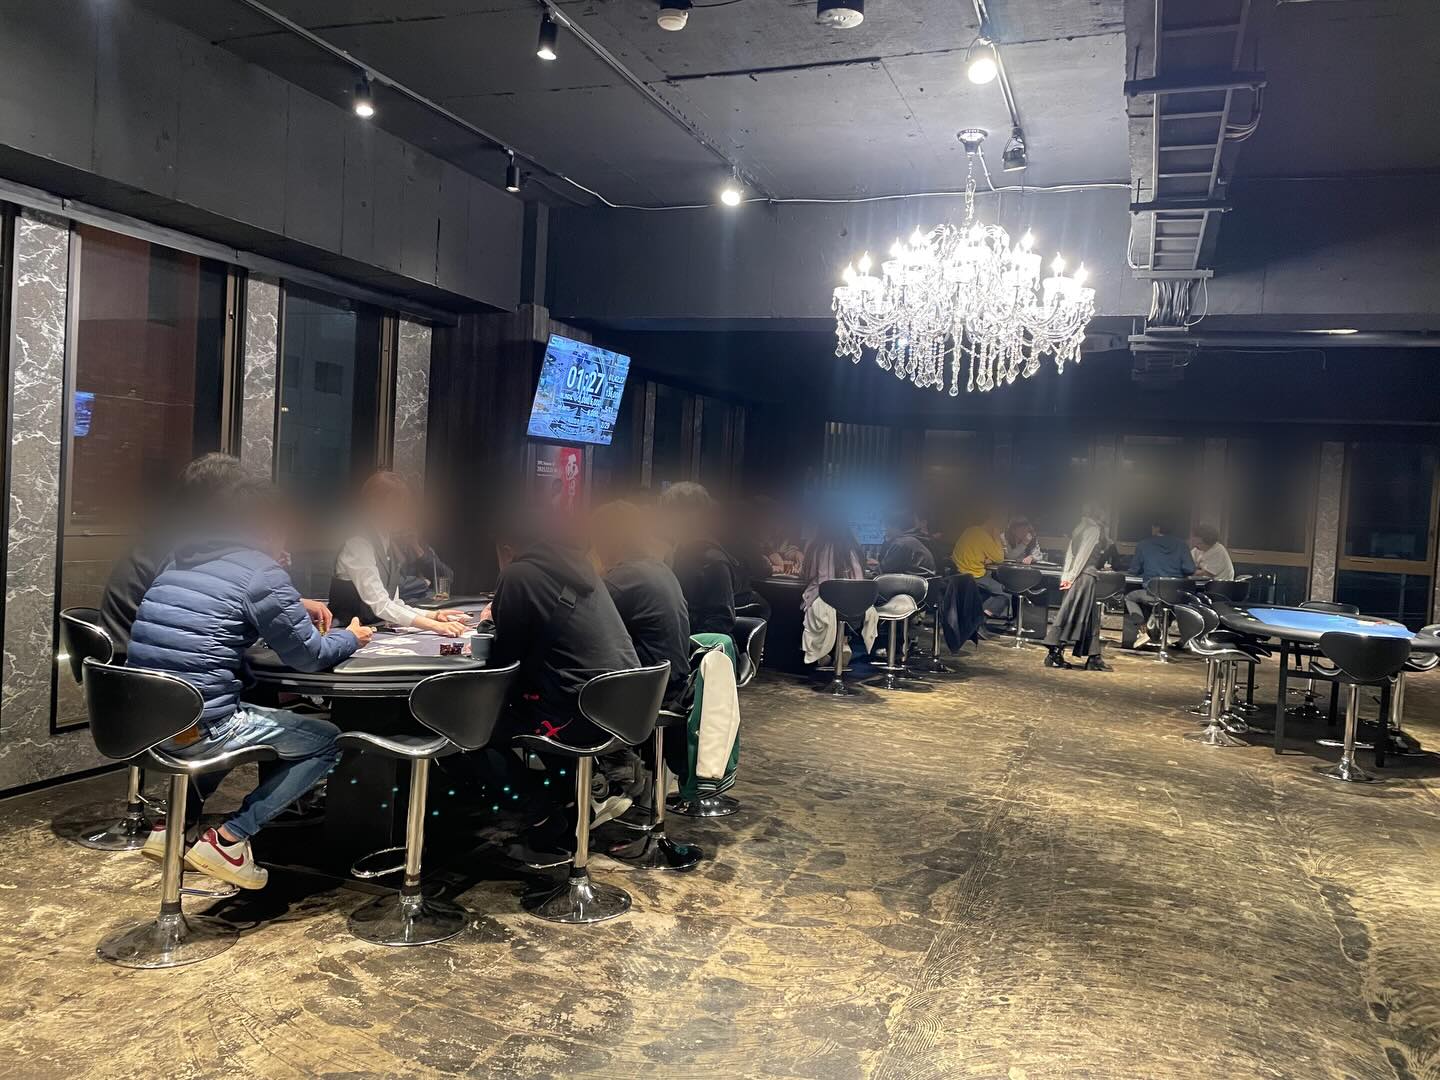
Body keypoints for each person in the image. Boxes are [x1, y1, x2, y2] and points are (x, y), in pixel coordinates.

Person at [126, 479, 372, 890]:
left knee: (222, 720)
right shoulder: (261, 572)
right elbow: (309, 656)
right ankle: (229, 840)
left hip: (141, 722)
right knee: (327, 741)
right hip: (198, 727)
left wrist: (291, 600)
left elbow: (220, 601)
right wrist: (352, 637)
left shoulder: (181, 558)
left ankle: (173, 827)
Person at [487, 509, 641, 827]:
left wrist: (488, 625)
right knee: (537, 702)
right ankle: (581, 795)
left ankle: (539, 810)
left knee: (474, 728)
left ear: (506, 549)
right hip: (627, 706)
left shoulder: (517, 574)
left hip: (580, 713)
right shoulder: (582, 568)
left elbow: (505, 661)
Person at [100, 453, 340, 655]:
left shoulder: (176, 540)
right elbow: (203, 614)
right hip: (140, 669)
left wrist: (289, 603)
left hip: (134, 669)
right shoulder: (182, 550)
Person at [329, 471, 467, 637]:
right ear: (374, 505)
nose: (402, 513)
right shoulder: (358, 544)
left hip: (373, 631)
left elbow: (394, 604)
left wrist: (434, 616)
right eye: (396, 505)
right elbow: (381, 605)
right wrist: (435, 626)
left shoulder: (387, 540)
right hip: (345, 634)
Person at [661, 482, 739, 637]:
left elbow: (721, 621)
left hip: (699, 646)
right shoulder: (678, 552)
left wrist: (685, 641)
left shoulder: (713, 562)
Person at [1043, 506, 1114, 671]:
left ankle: (1093, 656)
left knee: (1087, 616)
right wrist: (1070, 577)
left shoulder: (1080, 528)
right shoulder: (1093, 530)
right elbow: (1082, 555)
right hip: (1084, 576)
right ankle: (1055, 651)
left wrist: (1067, 576)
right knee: (1074, 614)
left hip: (1079, 576)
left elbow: (1070, 555)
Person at [800, 519, 877, 667]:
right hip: (858, 602)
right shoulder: (855, 548)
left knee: (814, 606)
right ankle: (844, 643)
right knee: (842, 610)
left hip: (827, 598)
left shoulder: (818, 547)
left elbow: (808, 575)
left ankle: (821, 652)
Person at [1124, 519, 1197, 643]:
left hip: (1153, 595)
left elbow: (1134, 570)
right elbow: (1190, 569)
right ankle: (1165, 633)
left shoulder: (1144, 544)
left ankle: (1142, 631)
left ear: (1156, 528)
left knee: (1129, 598)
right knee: (1169, 604)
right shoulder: (1182, 545)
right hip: (1176, 596)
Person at [951, 512, 1009, 618]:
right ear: (990, 522)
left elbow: (973, 553)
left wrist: (986, 559)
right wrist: (996, 537)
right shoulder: (983, 535)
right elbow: (1000, 558)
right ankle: (985, 614)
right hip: (974, 576)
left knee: (987, 588)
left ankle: (978, 613)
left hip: (958, 574)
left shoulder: (968, 531)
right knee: (1006, 592)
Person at [879, 510, 937, 576]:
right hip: (924, 581)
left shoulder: (901, 543)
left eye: (886, 527)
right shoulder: (916, 539)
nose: (886, 530)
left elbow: (884, 570)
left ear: (895, 526)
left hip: (910, 581)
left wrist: (886, 542)